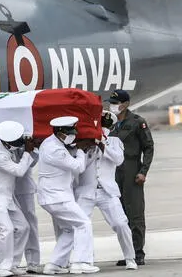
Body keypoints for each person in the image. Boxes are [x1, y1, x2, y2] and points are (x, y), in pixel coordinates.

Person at [70, 111, 138, 270]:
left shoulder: (114, 141)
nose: (103, 127)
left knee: (121, 223)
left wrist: (102, 144)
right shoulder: (83, 142)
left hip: (106, 191)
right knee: (81, 225)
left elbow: (119, 160)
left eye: (106, 125)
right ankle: (86, 260)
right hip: (86, 190)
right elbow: (78, 167)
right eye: (101, 123)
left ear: (111, 127)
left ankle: (130, 258)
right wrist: (88, 147)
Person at [37, 116, 99, 274]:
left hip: (52, 197)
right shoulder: (55, 149)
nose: (73, 135)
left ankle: (54, 265)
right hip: (57, 197)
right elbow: (78, 167)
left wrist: (74, 147)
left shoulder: (51, 142)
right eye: (69, 132)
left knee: (69, 230)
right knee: (84, 223)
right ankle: (81, 262)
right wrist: (80, 150)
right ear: (59, 132)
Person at [0, 120, 35, 277]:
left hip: (6, 200)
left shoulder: (6, 148)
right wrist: (28, 152)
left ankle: (12, 264)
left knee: (23, 228)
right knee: (7, 229)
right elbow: (19, 171)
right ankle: (0, 268)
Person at [107, 89, 154, 266]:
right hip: (113, 171)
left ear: (125, 104)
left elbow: (148, 147)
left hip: (131, 169)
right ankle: (128, 253)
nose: (112, 106)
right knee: (121, 214)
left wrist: (143, 171)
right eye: (111, 103)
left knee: (135, 212)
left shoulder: (137, 122)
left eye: (115, 103)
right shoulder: (109, 123)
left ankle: (138, 252)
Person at [13, 138, 43, 274]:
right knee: (11, 228)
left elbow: (32, 162)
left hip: (24, 189)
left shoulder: (24, 142)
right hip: (4, 189)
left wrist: (31, 149)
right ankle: (11, 262)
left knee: (30, 224)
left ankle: (33, 261)